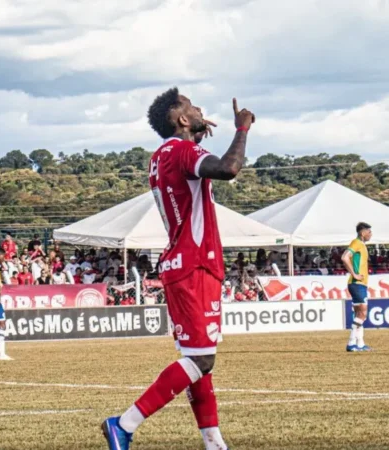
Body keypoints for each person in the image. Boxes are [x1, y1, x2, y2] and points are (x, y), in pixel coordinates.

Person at [102, 88, 254, 450]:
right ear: (182, 119)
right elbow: (228, 169)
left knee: (197, 357)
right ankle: (124, 424)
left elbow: (186, 179)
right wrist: (242, 129)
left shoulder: (161, 155)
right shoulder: (184, 151)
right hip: (196, 262)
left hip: (181, 261)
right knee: (201, 358)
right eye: (191, 106)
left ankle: (214, 442)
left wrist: (198, 137)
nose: (199, 108)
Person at [342, 222, 373, 352]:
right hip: (357, 283)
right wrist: (354, 274)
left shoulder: (362, 245)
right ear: (362, 232)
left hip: (359, 284)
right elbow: (344, 257)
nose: (371, 234)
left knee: (358, 313)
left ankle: (360, 343)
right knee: (362, 314)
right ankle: (351, 343)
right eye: (369, 232)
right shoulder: (356, 243)